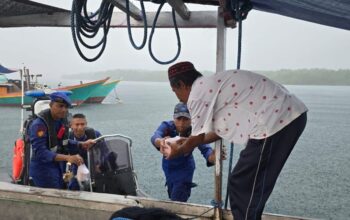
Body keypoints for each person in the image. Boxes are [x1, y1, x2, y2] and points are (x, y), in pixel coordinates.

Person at [165, 61, 308, 220]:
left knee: (243, 184)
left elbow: (197, 137)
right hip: (286, 116)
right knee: (249, 185)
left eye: (174, 91)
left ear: (182, 84)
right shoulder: (209, 88)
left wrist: (178, 150)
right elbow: (213, 134)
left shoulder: (197, 94)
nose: (178, 97)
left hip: (275, 120)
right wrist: (186, 141)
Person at [151, 102, 218, 202]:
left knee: (177, 200)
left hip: (184, 170)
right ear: (174, 118)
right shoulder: (167, 127)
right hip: (168, 168)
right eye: (179, 119)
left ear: (192, 120)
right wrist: (160, 142)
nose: (182, 123)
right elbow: (155, 136)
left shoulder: (195, 133)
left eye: (186, 119)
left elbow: (206, 150)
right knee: (172, 193)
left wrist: (213, 157)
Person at [29, 92, 95, 189]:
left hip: (58, 167)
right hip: (43, 170)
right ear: (51, 105)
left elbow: (63, 142)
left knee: (62, 191)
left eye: (66, 107)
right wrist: (68, 158)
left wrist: (81, 144)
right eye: (60, 106)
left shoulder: (61, 121)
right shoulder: (39, 125)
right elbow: (40, 152)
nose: (63, 109)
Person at [68, 113, 108, 190]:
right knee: (72, 187)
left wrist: (100, 163)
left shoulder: (95, 135)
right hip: (74, 166)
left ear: (86, 124)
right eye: (77, 124)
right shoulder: (68, 137)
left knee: (98, 187)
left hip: (92, 165)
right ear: (71, 126)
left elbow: (105, 151)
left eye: (82, 124)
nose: (80, 127)